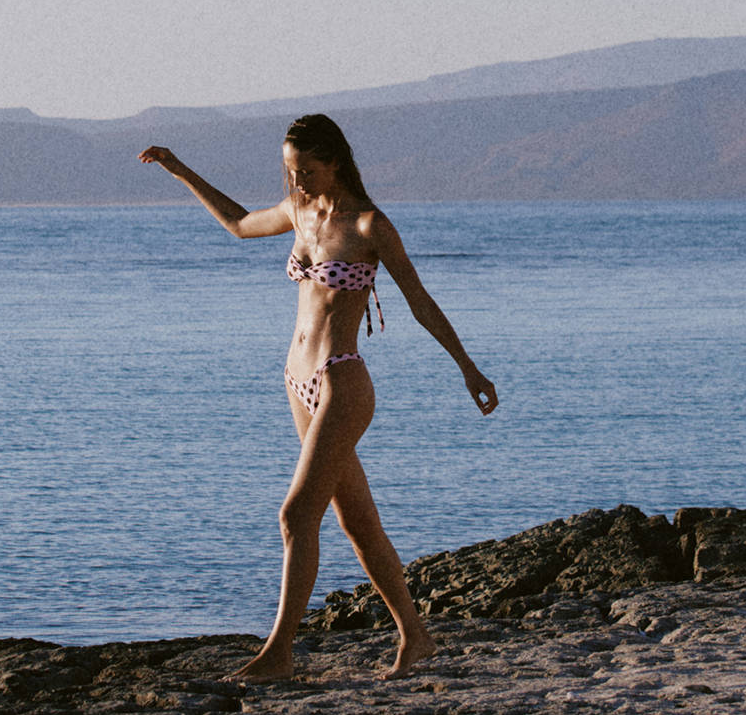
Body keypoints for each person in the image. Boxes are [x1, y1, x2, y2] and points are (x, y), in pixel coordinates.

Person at [138, 113, 498, 680]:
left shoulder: (369, 225)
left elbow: (420, 301)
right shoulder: (299, 213)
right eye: (289, 171)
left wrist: (469, 370)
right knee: (357, 523)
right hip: (296, 383)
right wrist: (180, 168)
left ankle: (279, 652)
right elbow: (236, 222)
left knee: (296, 513)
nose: (297, 182)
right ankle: (417, 636)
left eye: (306, 170)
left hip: (341, 382)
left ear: (335, 161)